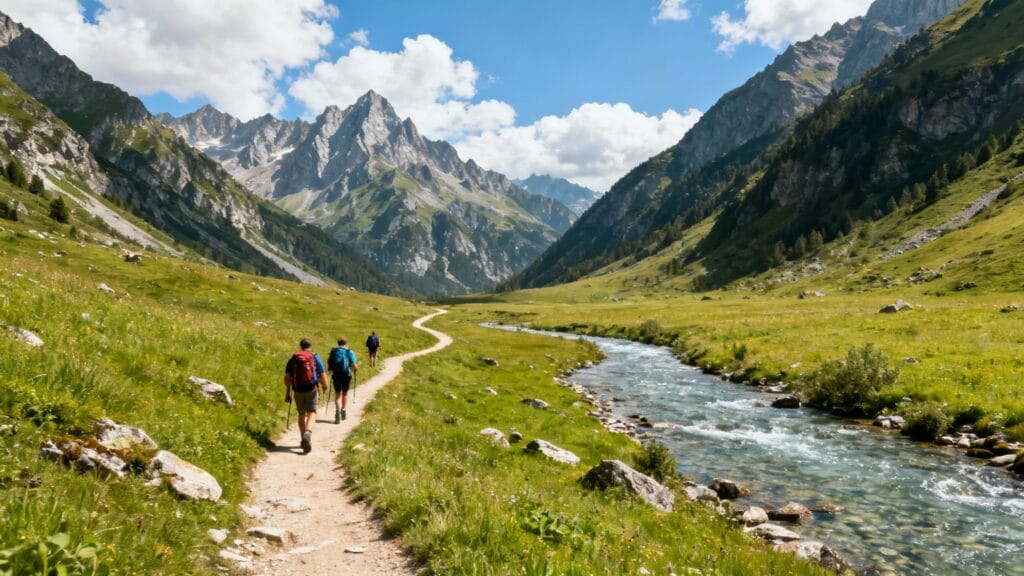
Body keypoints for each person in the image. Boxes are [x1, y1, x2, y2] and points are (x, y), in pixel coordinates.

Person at [284, 338, 325, 454]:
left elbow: (287, 378)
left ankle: (303, 439)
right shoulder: (314, 356)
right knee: (312, 412)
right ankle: (308, 432)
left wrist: (287, 393)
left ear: (300, 346)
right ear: (310, 346)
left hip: (297, 390)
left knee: (301, 414)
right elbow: (322, 374)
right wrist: (325, 386)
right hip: (311, 389)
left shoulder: (294, 358)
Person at [327, 337, 358, 423]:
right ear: (345, 343)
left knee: (337, 394)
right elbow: (355, 366)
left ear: (338, 343)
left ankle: (337, 411)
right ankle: (343, 410)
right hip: (346, 375)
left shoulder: (333, 351)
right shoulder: (349, 351)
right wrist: (355, 370)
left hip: (336, 375)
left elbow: (328, 366)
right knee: (345, 393)